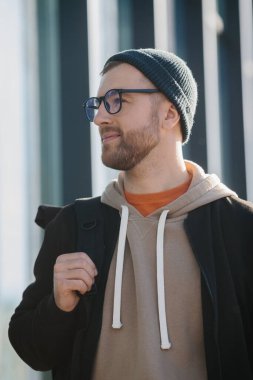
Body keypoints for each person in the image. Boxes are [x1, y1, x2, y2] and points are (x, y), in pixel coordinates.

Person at [8, 48, 253, 380]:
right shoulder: (74, 226)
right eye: (97, 104)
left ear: (169, 114)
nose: (100, 118)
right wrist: (58, 305)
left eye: (116, 100)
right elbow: (32, 349)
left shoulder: (241, 229)